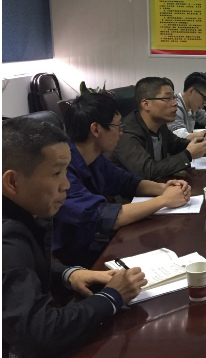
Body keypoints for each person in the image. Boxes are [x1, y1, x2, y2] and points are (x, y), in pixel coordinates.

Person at [2, 118, 146, 357]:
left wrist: (70, 274)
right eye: (56, 173)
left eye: (66, 172)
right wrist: (112, 296)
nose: (66, 185)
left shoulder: (24, 210)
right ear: (13, 182)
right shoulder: (7, 236)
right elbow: (40, 334)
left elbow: (20, 267)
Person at [53, 93, 192, 267]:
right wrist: (164, 200)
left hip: (94, 245)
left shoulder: (94, 157)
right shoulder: (62, 169)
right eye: (117, 126)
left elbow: (127, 182)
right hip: (72, 262)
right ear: (96, 129)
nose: (121, 132)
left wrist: (164, 188)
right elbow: (105, 216)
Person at [112, 77, 206, 180]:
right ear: (146, 104)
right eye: (168, 98)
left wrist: (196, 144)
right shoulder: (126, 134)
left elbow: (176, 144)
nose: (175, 103)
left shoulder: (159, 124)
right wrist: (188, 154)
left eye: (173, 97)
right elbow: (147, 171)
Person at [168, 72, 206, 139]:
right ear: (191, 91)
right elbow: (180, 137)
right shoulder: (175, 108)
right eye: (205, 98)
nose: (205, 104)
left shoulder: (192, 107)